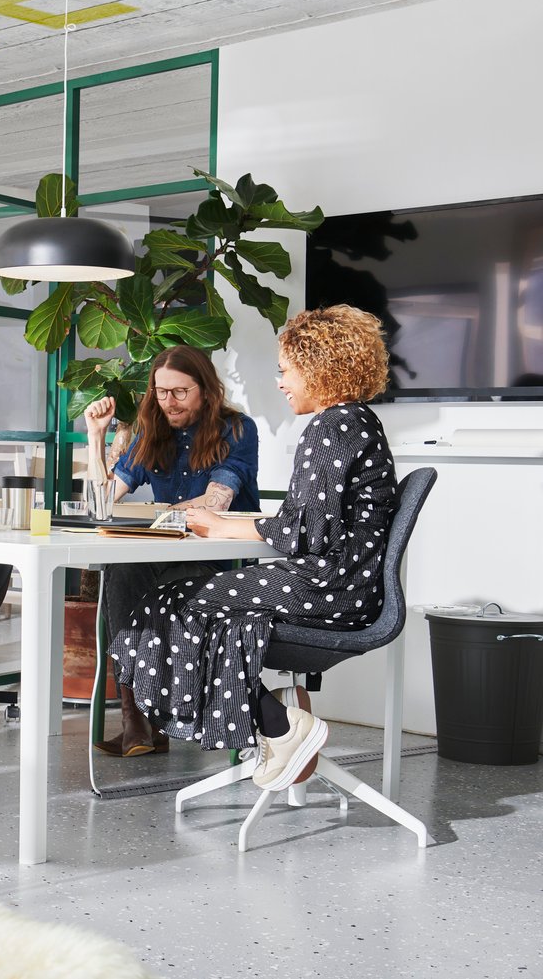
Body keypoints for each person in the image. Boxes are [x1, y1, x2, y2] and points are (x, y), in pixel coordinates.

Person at [113, 304, 396, 791]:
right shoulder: (353, 421)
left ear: (319, 368)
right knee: (191, 606)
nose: (282, 383)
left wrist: (223, 529)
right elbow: (308, 524)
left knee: (166, 604)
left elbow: (306, 533)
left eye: (286, 371)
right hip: (340, 581)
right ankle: (274, 725)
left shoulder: (334, 427)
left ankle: (280, 726)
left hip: (329, 584)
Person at [83, 345, 260, 757]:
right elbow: (100, 505)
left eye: (180, 392)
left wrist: (159, 514)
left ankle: (146, 722)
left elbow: (216, 502)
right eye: (161, 392)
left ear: (206, 388)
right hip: (163, 553)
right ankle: (137, 721)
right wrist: (97, 439)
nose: (169, 402)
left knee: (144, 582)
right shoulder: (151, 429)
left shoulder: (236, 429)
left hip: (218, 558)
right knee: (120, 570)